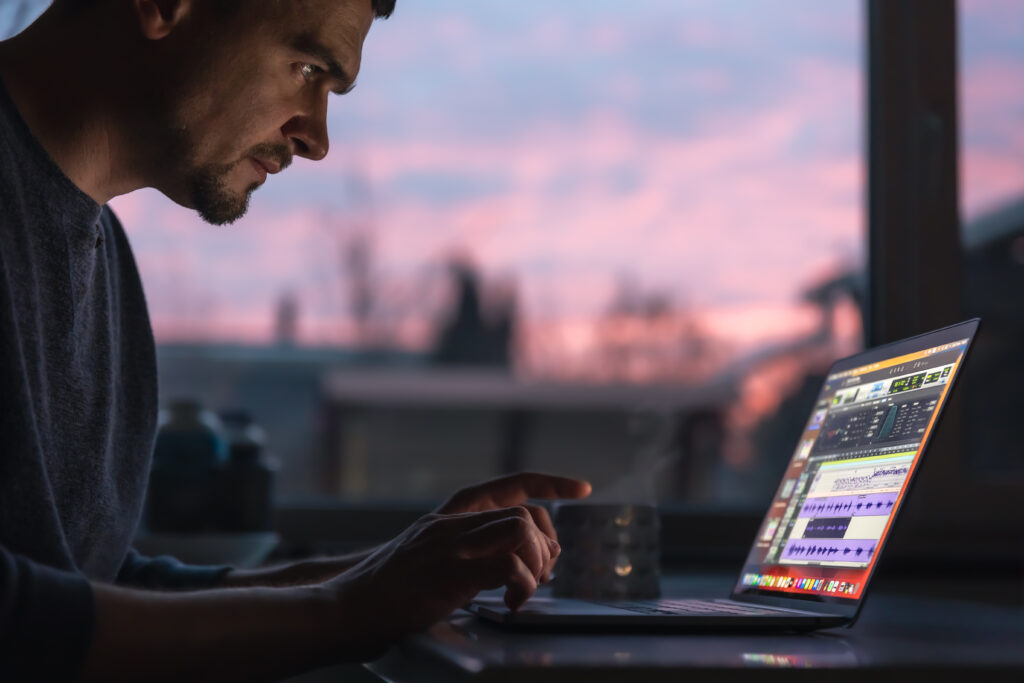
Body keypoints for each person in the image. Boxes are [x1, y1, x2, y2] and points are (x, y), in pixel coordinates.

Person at [0, 1, 591, 680]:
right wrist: (346, 607)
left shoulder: (103, 256)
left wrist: (392, 570)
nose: (316, 137)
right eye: (307, 66)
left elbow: (92, 586)